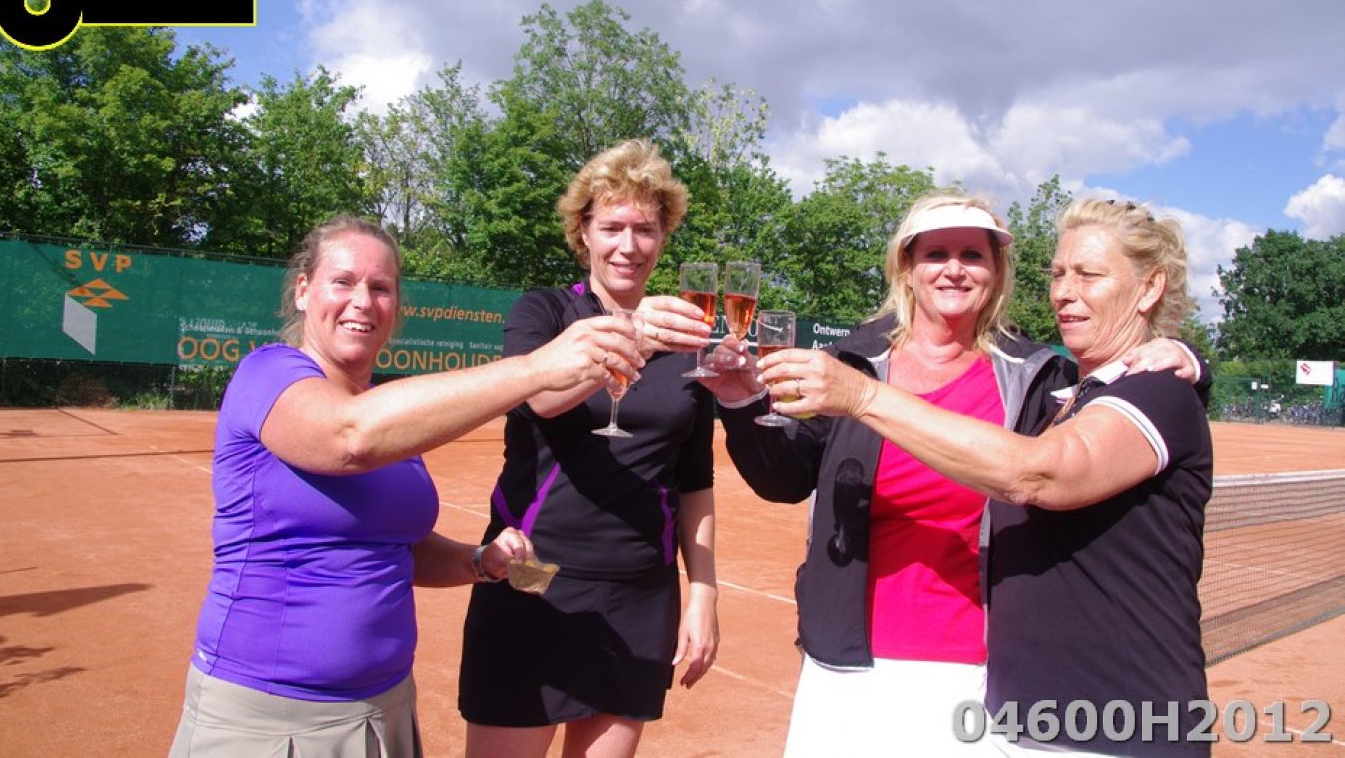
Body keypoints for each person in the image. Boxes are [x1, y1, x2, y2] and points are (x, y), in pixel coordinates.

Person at [700, 191, 1200, 755]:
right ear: (907, 269)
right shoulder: (854, 362)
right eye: (936, 254)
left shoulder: (1037, 376)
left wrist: (1187, 359)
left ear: (996, 272)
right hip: (844, 661)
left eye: (973, 255)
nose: (954, 269)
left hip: (974, 670)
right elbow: (785, 479)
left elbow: (1094, 427)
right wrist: (741, 404)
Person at [169, 215, 645, 758]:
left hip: (384, 707)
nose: (362, 301)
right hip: (270, 715)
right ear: (303, 292)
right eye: (342, 282)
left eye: (381, 288)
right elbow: (347, 438)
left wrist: (478, 561)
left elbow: (399, 547)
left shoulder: (388, 413)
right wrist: (536, 369)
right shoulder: (268, 374)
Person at [459, 139, 719, 758]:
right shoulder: (546, 311)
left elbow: (694, 481)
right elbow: (540, 398)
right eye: (612, 227)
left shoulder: (686, 337)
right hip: (532, 577)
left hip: (641, 594)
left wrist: (704, 595)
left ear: (664, 237)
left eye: (646, 229)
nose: (629, 245)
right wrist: (636, 334)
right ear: (583, 231)